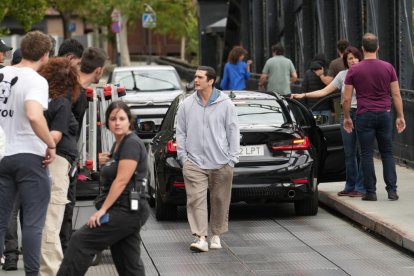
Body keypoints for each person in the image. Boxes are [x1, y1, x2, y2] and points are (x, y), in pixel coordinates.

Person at [57, 101, 150, 276]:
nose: (117, 122)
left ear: (129, 121)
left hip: (126, 210)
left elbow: (122, 181)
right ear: (107, 123)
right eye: (113, 118)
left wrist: (102, 211)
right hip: (127, 210)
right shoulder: (118, 145)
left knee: (80, 241)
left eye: (122, 118)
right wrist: (107, 164)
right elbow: (117, 174)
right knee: (127, 261)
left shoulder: (131, 143)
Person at [0, 30, 56, 276]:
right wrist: (50, 144)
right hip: (30, 157)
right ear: (45, 55)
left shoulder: (1, 74)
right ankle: (32, 274)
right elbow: (34, 114)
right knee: (33, 223)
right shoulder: (36, 80)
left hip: (2, 155)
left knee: (1, 220)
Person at [176, 66, 239, 252]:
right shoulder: (186, 105)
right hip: (194, 163)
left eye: (200, 77)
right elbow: (180, 132)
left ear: (210, 81)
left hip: (221, 162)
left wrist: (232, 159)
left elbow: (233, 131)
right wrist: (183, 158)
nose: (196, 80)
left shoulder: (226, 103)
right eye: (195, 76)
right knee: (196, 200)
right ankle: (201, 237)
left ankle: (216, 235)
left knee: (220, 200)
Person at [292, 46, 366, 197]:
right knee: (349, 153)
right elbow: (325, 91)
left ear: (360, 58)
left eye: (355, 57)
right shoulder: (342, 75)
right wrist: (303, 95)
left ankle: (361, 187)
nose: (353, 61)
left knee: (361, 152)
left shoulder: (365, 73)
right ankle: (350, 185)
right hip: (346, 115)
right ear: (346, 61)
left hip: (362, 114)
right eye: (349, 58)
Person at [343, 33, 406, 201]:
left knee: (366, 154)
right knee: (387, 152)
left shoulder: (354, 69)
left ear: (362, 49)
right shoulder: (388, 67)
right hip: (385, 114)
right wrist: (400, 116)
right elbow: (396, 94)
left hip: (364, 115)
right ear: (378, 47)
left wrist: (347, 117)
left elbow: (347, 98)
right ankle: (392, 190)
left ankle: (370, 192)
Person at [39, 57, 80, 275]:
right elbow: (55, 135)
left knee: (43, 217)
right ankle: (52, 269)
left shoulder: (40, 99)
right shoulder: (61, 102)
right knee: (52, 218)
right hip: (57, 160)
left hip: (41, 160)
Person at [56, 38, 85, 254]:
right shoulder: (70, 87)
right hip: (63, 153)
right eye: (78, 63)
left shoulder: (42, 80)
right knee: (65, 203)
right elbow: (74, 121)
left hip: (41, 151)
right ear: (70, 58)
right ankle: (63, 248)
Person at [301, 56, 333, 120]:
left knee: (315, 127)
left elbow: (304, 90)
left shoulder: (308, 73)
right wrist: (333, 109)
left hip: (313, 108)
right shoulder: (327, 72)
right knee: (327, 128)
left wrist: (305, 107)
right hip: (326, 107)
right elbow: (331, 92)